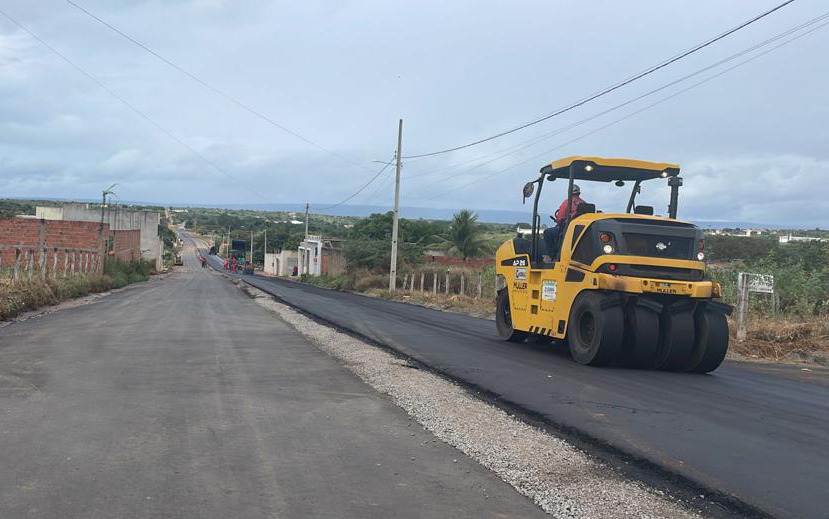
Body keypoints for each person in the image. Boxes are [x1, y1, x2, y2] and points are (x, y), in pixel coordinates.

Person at [544, 184, 587, 258]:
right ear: (579, 193)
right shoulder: (584, 203)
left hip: (568, 229)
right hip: (581, 230)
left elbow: (560, 218)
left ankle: (553, 256)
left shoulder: (567, 202)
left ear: (569, 192)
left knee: (548, 232)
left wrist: (558, 220)